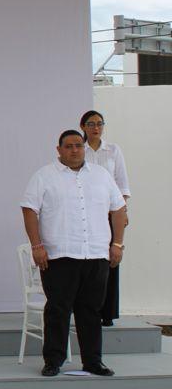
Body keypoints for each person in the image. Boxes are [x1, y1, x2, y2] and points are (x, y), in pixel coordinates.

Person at [21, 129, 126, 377]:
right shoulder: (44, 176)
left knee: (91, 311)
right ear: (59, 150)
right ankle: (53, 361)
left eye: (78, 145)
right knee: (58, 309)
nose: (74, 150)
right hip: (60, 256)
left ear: (84, 148)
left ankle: (93, 362)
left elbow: (119, 209)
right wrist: (36, 246)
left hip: (96, 254)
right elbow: (29, 210)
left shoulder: (101, 175)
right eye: (68, 146)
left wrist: (118, 244)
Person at [80, 110, 130, 327]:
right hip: (84, 214)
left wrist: (122, 211)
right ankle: (84, 309)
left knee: (110, 260)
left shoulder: (113, 150)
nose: (96, 128)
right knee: (85, 262)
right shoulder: (78, 149)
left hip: (109, 213)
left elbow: (122, 184)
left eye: (99, 123)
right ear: (83, 126)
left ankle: (107, 312)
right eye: (91, 124)